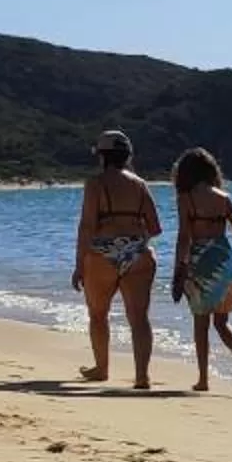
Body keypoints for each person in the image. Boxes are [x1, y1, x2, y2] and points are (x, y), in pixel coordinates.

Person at [71, 131, 161, 389]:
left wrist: (79, 265)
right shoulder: (141, 184)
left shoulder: (95, 184)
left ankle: (102, 368)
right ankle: (142, 376)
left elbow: (87, 226)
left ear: (102, 156)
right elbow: (155, 228)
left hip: (102, 251)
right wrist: (131, 236)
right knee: (139, 317)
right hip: (137, 251)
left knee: (98, 315)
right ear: (127, 155)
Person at [168, 147, 232, 393]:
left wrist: (179, 269)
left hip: (201, 264)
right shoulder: (224, 198)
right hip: (225, 264)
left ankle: (203, 379)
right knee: (222, 322)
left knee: (201, 324)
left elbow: (184, 237)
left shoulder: (185, 199)